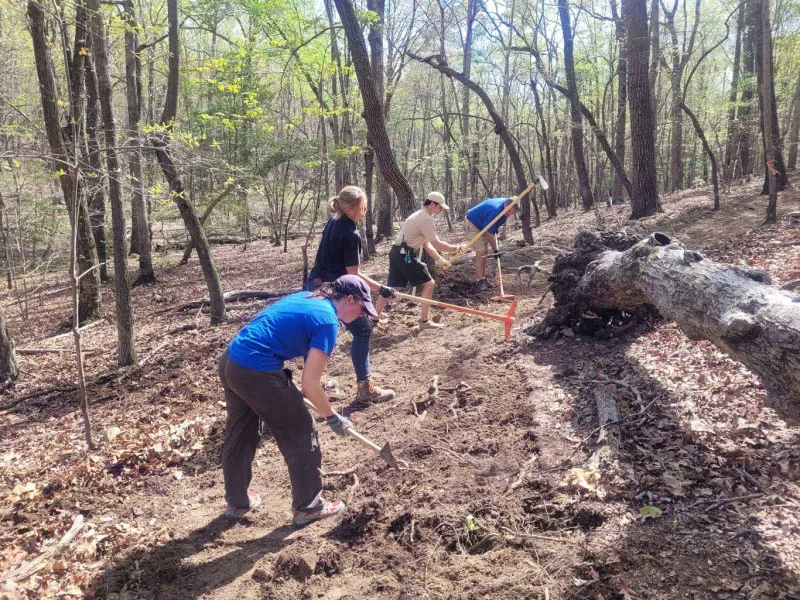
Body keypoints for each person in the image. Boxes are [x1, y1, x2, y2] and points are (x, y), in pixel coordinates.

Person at [218, 275, 376, 526]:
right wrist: (332, 417)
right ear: (349, 299)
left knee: (242, 432)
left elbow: (302, 363)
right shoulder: (327, 322)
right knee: (302, 431)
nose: (362, 315)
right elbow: (310, 385)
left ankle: (237, 502)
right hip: (255, 368)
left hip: (231, 361)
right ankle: (308, 507)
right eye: (361, 308)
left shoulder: (308, 297)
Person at [307, 185, 395, 403]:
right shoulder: (350, 233)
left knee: (312, 336)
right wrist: (380, 289)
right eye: (362, 206)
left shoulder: (334, 221)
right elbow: (354, 275)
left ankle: (312, 384)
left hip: (315, 283)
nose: (365, 210)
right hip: (333, 291)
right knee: (363, 331)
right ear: (350, 209)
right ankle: (364, 389)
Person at [375, 192, 463, 328]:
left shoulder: (419, 215)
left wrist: (440, 260)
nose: (440, 211)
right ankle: (424, 322)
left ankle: (374, 318)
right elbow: (437, 244)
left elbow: (426, 244)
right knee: (429, 284)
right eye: (440, 208)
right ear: (433, 204)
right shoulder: (425, 218)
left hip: (397, 252)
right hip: (405, 254)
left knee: (389, 287)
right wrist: (456, 248)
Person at [464, 197, 520, 290]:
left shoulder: (505, 206)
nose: (509, 214)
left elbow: (491, 228)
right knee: (481, 251)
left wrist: (495, 228)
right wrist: (495, 251)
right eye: (508, 211)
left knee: (485, 253)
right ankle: (479, 281)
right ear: (505, 205)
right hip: (472, 224)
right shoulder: (496, 211)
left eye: (511, 212)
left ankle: (483, 278)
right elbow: (489, 234)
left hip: (482, 225)